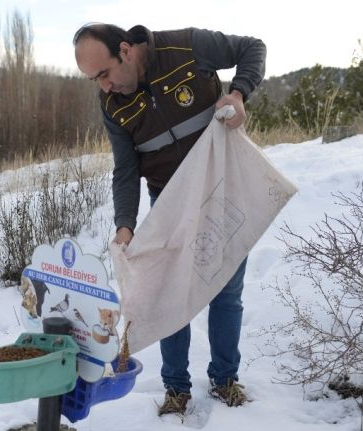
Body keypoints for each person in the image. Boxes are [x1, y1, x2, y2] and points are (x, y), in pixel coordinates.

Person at [73, 23, 266, 416]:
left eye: (104, 73)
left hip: (222, 186)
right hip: (169, 201)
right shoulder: (112, 104)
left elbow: (252, 47)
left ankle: (225, 379)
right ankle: (176, 389)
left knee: (226, 291)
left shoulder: (186, 46)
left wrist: (238, 92)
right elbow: (126, 168)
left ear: (125, 50)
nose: (104, 87)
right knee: (170, 294)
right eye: (95, 80)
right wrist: (125, 224)